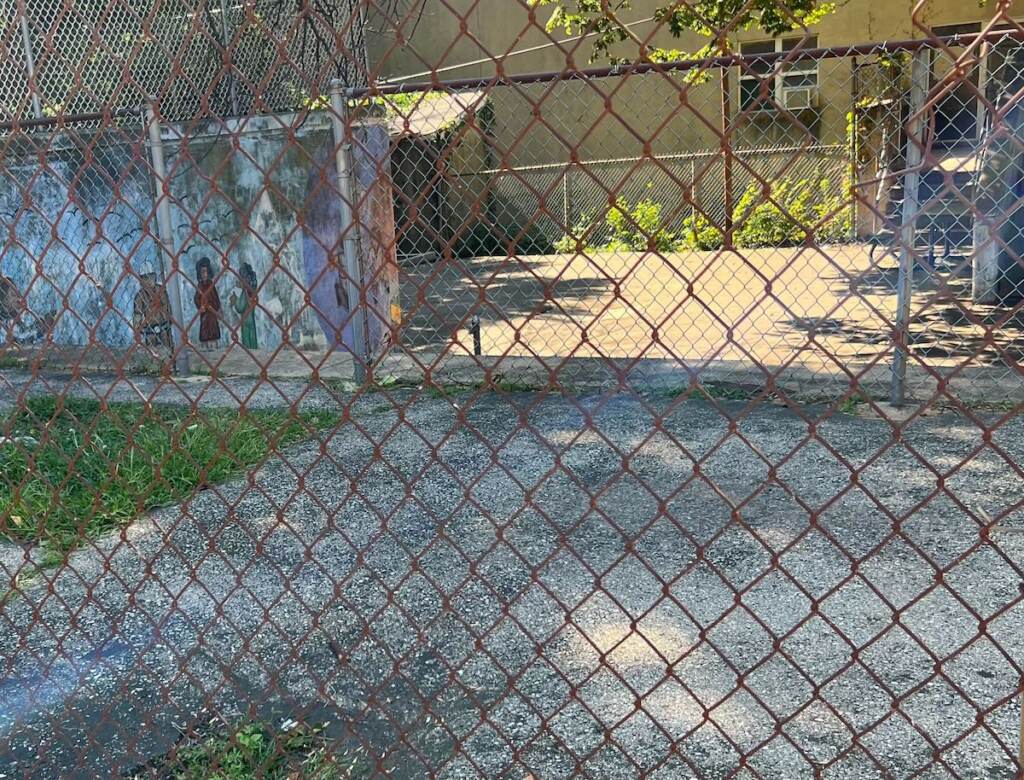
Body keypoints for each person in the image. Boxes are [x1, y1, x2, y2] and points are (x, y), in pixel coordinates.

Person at [132, 263, 173, 348]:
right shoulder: (140, 296)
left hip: (163, 326)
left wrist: (168, 319)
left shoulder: (161, 291)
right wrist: (137, 329)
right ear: (141, 280)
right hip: (149, 329)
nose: (149, 281)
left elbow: (167, 307)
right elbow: (137, 313)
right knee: (151, 351)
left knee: (167, 347)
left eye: (151, 277)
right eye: (145, 278)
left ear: (154, 277)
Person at [229, 262, 259, 350]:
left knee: (247, 338)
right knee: (252, 336)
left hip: (246, 320)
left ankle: (249, 350)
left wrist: (234, 301)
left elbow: (240, 307)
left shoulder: (245, 293)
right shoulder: (251, 292)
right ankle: (253, 349)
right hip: (251, 319)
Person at [194, 257, 221, 347]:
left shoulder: (211, 284)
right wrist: (200, 306)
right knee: (204, 328)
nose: (204, 274)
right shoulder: (200, 285)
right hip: (204, 311)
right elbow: (196, 298)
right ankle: (206, 346)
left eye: (205, 272)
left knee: (213, 327)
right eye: (202, 272)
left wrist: (216, 307)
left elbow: (215, 297)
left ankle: (215, 345)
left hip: (211, 310)